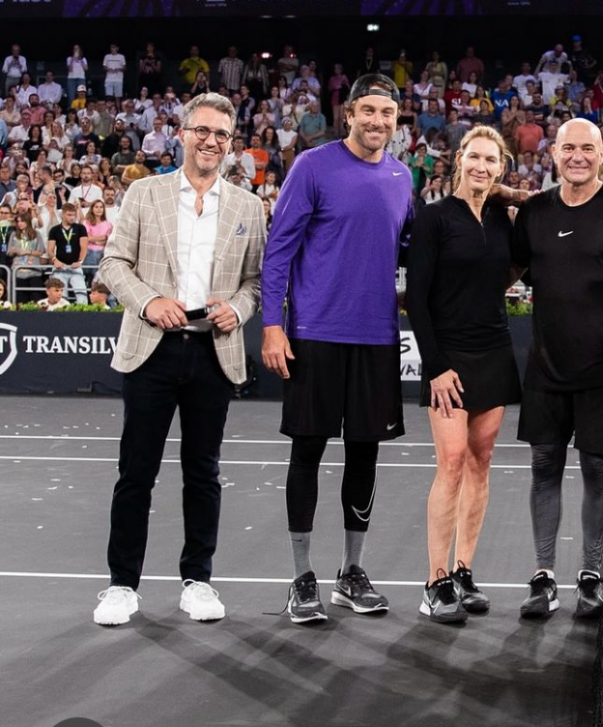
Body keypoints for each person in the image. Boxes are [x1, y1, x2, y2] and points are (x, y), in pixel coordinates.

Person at [92, 92, 266, 627]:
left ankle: (198, 580)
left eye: (222, 134)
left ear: (231, 143)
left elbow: (255, 283)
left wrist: (237, 309)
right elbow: (114, 264)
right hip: (152, 348)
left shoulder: (247, 205)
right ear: (182, 134)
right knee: (135, 473)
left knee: (204, 473)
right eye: (203, 131)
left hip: (213, 351)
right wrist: (150, 300)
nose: (211, 141)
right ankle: (122, 585)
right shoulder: (145, 192)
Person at [261, 74, 411, 624]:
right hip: (315, 335)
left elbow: (416, 248)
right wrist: (274, 327)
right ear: (350, 114)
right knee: (307, 453)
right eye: (368, 111)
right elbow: (278, 252)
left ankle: (351, 573)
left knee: (364, 455)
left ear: (398, 121)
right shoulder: (313, 166)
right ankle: (302, 577)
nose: (378, 121)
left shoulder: (402, 176)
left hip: (376, 338)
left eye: (388, 114)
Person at [510, 118, 603, 619]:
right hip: (545, 370)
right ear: (553, 153)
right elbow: (504, 271)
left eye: (587, 149)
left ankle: (591, 574)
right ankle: (544, 575)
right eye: (568, 148)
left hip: (602, 370)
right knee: (544, 468)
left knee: (598, 471)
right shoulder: (533, 212)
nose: (577, 156)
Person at [407, 126, 523, 623]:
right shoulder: (433, 217)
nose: (480, 166)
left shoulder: (502, 218)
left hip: (494, 348)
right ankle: (435, 581)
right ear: (459, 159)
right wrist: (435, 367)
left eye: (490, 160)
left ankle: (463, 570)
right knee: (451, 462)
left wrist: (511, 197)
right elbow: (415, 298)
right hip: (449, 356)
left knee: (481, 461)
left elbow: (514, 270)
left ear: (501, 167)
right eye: (474, 157)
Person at [46, 202, 89, 304]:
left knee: (82, 296)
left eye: (73, 215)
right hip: (60, 267)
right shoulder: (54, 230)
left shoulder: (80, 228)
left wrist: (80, 261)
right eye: (69, 215)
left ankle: (84, 317)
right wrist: (55, 260)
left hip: (76, 267)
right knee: (59, 298)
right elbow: (50, 249)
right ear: (63, 214)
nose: (72, 217)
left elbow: (84, 247)